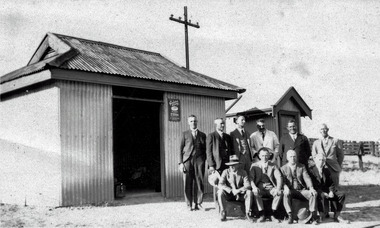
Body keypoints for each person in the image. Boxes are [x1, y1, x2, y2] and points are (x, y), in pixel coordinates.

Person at [309, 153, 350, 224]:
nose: (321, 162)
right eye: (319, 160)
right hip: (318, 191)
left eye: (322, 160)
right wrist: (323, 193)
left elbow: (331, 183)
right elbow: (313, 185)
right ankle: (321, 216)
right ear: (315, 160)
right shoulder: (311, 171)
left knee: (341, 195)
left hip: (327, 191)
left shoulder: (326, 170)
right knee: (321, 195)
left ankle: (336, 216)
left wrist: (331, 191)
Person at [281, 150, 318, 224]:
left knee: (313, 194)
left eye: (294, 156)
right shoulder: (283, 168)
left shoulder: (301, 166)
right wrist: (285, 187)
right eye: (291, 157)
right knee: (285, 194)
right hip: (291, 190)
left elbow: (307, 178)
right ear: (287, 158)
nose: (293, 158)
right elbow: (283, 181)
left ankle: (313, 216)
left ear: (296, 157)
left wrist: (311, 188)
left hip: (301, 190)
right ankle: (290, 215)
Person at [179, 115, 207, 211]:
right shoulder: (185, 134)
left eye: (194, 121)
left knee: (199, 182)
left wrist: (203, 160)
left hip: (199, 161)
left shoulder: (203, 135)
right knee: (187, 182)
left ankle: (198, 203)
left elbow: (205, 150)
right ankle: (189, 204)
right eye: (191, 121)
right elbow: (180, 149)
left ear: (197, 122)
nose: (193, 123)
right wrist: (181, 163)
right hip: (187, 161)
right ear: (188, 122)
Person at [249, 147, 283, 223]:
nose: (265, 157)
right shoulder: (254, 165)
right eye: (263, 155)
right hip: (260, 187)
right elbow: (250, 178)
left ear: (269, 155)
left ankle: (272, 214)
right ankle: (262, 214)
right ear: (259, 156)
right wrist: (254, 187)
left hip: (270, 187)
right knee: (255, 193)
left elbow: (279, 177)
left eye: (266, 155)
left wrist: (278, 188)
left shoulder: (273, 165)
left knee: (279, 193)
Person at [217, 155, 254, 222]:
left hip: (240, 194)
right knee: (220, 192)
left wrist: (238, 191)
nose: (232, 166)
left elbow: (247, 185)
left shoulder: (243, 172)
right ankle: (223, 212)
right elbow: (220, 184)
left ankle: (248, 213)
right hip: (229, 194)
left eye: (234, 165)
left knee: (249, 192)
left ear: (238, 165)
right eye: (230, 165)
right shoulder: (226, 172)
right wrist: (231, 190)